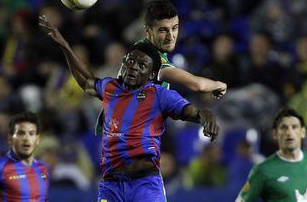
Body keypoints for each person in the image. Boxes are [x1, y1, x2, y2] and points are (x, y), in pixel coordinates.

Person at [39, 15, 219, 202]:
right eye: (131, 61)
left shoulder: (158, 95)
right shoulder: (110, 88)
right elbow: (85, 81)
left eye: (142, 65)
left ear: (150, 76)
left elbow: (192, 111)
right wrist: (64, 45)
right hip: (111, 185)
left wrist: (207, 116)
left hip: (144, 184)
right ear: (123, 64)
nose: (134, 67)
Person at [96, 0, 227, 134]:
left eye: (174, 28)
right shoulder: (151, 60)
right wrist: (219, 85)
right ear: (148, 31)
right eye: (163, 30)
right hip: (127, 136)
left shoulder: (138, 47)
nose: (170, 36)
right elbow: (197, 85)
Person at [236, 107, 307, 202]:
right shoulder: (263, 170)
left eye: (294, 127)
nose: (289, 132)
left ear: (303, 132)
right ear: (275, 134)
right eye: (284, 128)